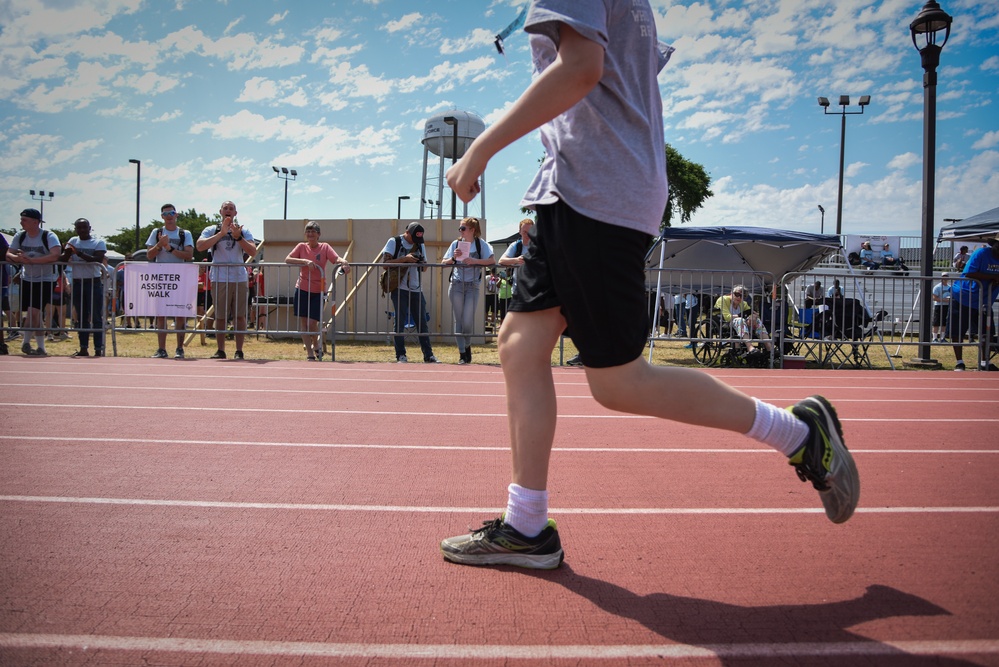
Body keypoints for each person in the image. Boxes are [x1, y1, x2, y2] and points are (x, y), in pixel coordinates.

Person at [440, 0, 859, 569]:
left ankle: (799, 434)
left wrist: (479, 149)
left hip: (597, 193)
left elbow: (581, 68)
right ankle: (527, 526)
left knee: (620, 383)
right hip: (577, 190)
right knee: (519, 344)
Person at [196, 200, 257, 359]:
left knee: (240, 316)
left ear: (235, 213)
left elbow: (253, 251)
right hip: (219, 278)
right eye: (225, 208)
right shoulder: (211, 229)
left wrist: (238, 238)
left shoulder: (244, 230)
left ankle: (239, 351)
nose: (228, 210)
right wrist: (221, 233)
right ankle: (221, 350)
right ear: (220, 212)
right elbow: (200, 246)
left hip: (239, 278)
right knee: (221, 315)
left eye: (231, 208)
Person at [284, 220, 350, 361]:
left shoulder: (325, 247)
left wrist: (343, 262)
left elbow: (335, 258)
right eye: (308, 231)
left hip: (318, 291)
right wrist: (304, 262)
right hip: (302, 288)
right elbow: (288, 259)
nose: (310, 234)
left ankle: (316, 345)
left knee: (313, 323)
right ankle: (309, 353)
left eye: (313, 231)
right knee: (303, 323)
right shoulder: (301, 247)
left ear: (319, 234)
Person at [6, 209, 61, 356]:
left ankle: (25, 342)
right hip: (27, 278)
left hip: (45, 279)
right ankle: (41, 347)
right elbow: (8, 253)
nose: (21, 222)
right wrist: (17, 259)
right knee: (35, 315)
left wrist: (32, 261)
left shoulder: (48, 235)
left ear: (35, 222)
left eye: (24, 220)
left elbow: (55, 254)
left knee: (33, 313)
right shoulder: (20, 236)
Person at [381, 221, 438, 363]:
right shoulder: (394, 241)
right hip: (399, 288)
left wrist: (420, 263)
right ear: (407, 233)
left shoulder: (420, 244)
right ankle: (401, 355)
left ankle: (428, 355)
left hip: (416, 288)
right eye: (414, 238)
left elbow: (425, 268)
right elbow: (385, 264)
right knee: (399, 322)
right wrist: (405, 259)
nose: (416, 241)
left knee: (422, 322)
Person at [442, 217, 495, 364]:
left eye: (463, 228)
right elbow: (443, 263)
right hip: (457, 284)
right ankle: (462, 354)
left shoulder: (481, 244)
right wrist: (453, 258)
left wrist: (475, 261)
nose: (460, 231)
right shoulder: (455, 244)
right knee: (458, 320)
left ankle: (467, 345)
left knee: (467, 321)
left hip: (473, 286)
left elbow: (492, 261)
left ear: (472, 230)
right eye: (460, 228)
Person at [147, 204, 195, 359]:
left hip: (179, 276)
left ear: (176, 215)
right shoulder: (156, 232)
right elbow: (149, 255)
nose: (169, 215)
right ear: (162, 216)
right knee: (161, 314)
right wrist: (159, 245)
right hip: (161, 277)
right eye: (166, 213)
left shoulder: (184, 233)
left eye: (172, 213)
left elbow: (188, 255)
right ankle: (161, 349)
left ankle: (179, 348)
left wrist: (169, 248)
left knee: (179, 313)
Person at [949, 234, 999, 371]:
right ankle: (959, 362)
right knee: (958, 330)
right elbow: (969, 273)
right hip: (964, 295)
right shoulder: (981, 253)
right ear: (993, 244)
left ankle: (984, 362)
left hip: (985, 300)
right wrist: (993, 277)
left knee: (987, 332)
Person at [62, 218, 107, 357]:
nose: (82, 230)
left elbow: (98, 259)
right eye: (79, 227)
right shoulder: (73, 241)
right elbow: (63, 260)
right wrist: (68, 253)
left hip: (93, 282)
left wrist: (79, 253)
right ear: (75, 229)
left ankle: (98, 348)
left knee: (96, 316)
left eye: (84, 227)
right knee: (81, 317)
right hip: (77, 282)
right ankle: (83, 348)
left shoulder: (98, 242)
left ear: (89, 228)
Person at [714, 285, 773, 355]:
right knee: (740, 320)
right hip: (724, 323)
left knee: (757, 321)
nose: (739, 297)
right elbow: (727, 317)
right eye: (737, 294)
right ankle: (749, 347)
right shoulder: (723, 299)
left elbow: (752, 313)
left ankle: (769, 347)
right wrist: (741, 315)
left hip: (741, 325)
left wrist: (753, 317)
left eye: (742, 296)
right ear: (731, 293)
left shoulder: (743, 303)